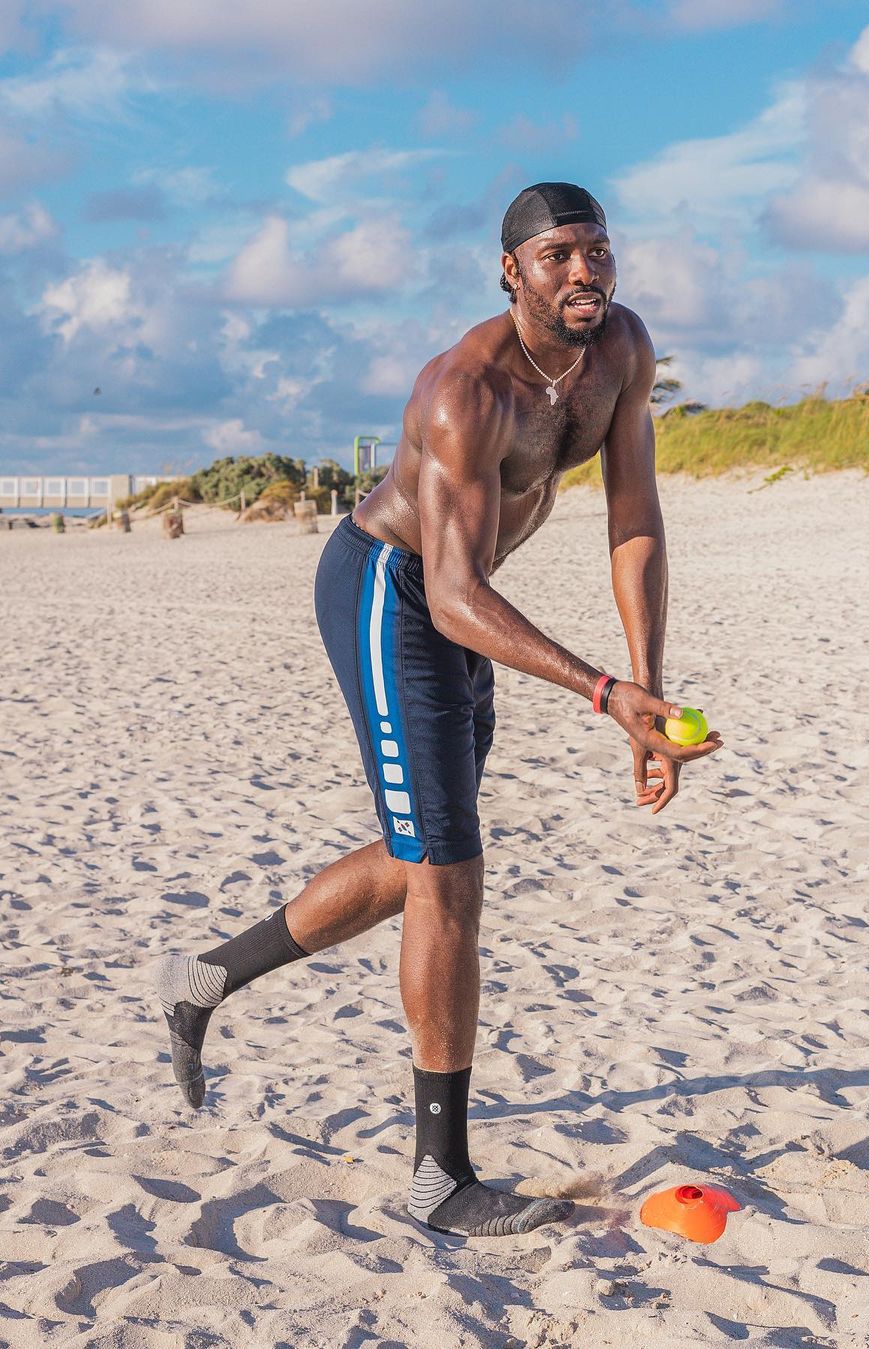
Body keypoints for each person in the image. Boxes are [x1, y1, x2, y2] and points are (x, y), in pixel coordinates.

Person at [155, 182, 721, 1238]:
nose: (585, 271)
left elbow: (634, 514)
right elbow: (451, 594)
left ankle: (205, 977)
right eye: (559, 255)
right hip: (394, 589)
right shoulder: (465, 390)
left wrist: (649, 688)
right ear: (511, 271)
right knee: (449, 870)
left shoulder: (622, 352)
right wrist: (607, 694)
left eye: (598, 250)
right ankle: (440, 1178)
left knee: (423, 851)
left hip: (467, 599)